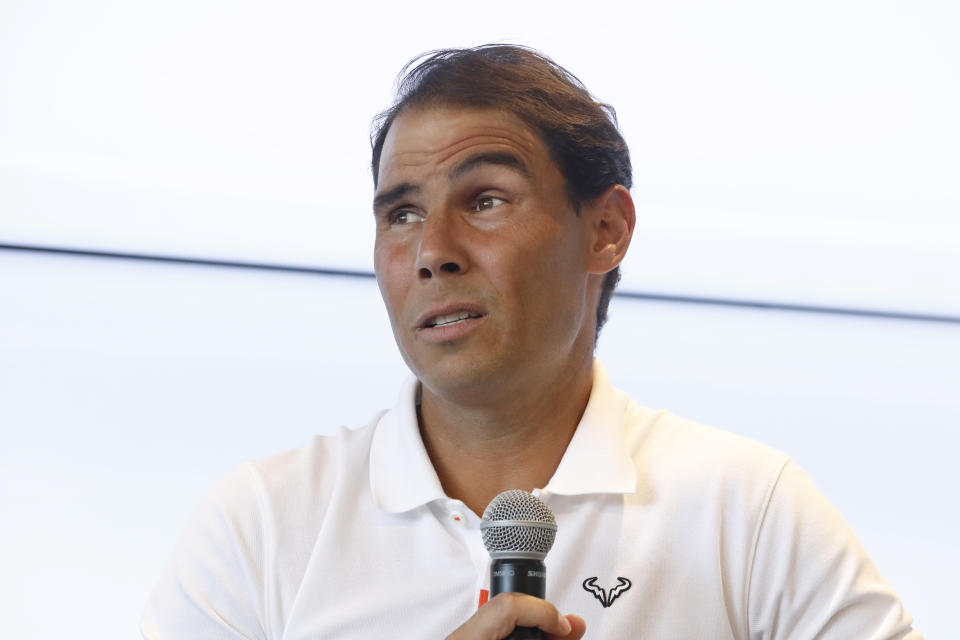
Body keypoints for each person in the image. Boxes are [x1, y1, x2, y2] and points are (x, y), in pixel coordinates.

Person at [141, 45, 921, 639]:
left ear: (606, 230)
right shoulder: (265, 523)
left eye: (484, 200)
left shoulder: (748, 509)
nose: (432, 250)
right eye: (401, 214)